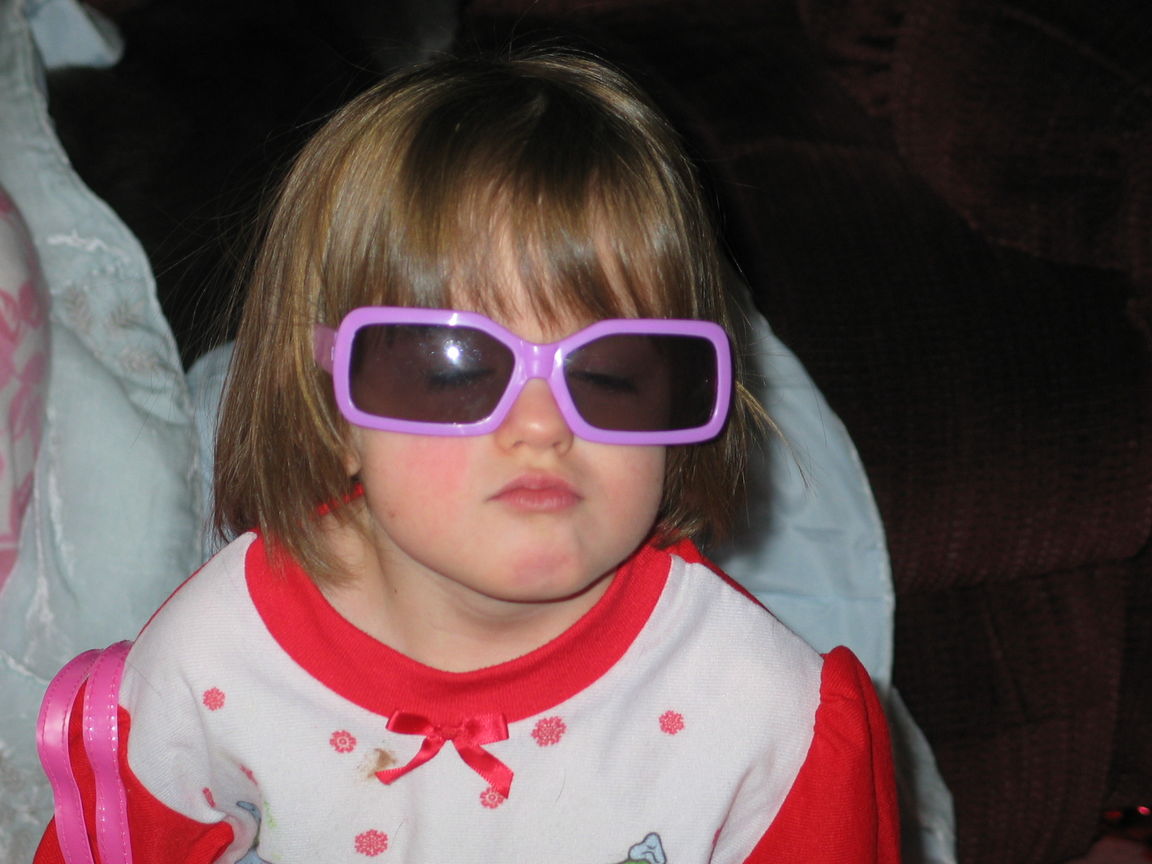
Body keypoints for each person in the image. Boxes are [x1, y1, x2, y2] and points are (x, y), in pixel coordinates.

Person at [35, 51, 899, 863]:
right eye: (452, 369)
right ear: (329, 409)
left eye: (608, 375)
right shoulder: (217, 661)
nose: (542, 427)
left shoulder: (765, 717)